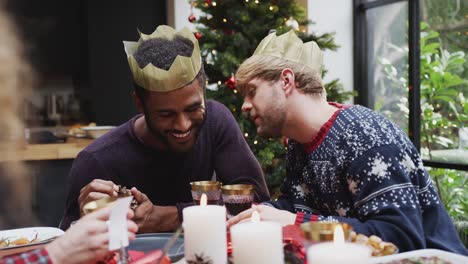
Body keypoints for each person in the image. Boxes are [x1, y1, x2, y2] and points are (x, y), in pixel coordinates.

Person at [227, 30, 467, 255]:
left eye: (252, 91)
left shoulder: (366, 138)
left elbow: (401, 238)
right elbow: (297, 205)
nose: (245, 105)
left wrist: (297, 223)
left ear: (286, 81)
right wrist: (256, 215)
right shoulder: (298, 144)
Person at [60, 25, 270, 232]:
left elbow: (257, 203)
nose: (183, 124)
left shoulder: (215, 121)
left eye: (193, 108)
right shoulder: (97, 161)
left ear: (203, 92)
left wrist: (166, 217)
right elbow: (66, 244)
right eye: (166, 114)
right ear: (140, 104)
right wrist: (82, 222)